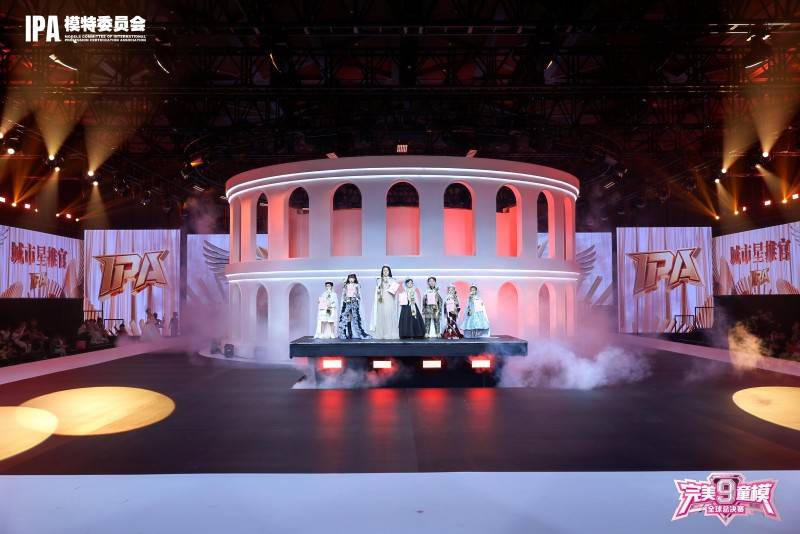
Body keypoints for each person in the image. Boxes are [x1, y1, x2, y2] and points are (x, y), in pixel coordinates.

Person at [338, 274, 371, 339]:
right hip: (347, 303)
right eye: (350, 278)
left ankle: (359, 333)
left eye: (352, 278)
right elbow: (344, 295)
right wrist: (346, 298)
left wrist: (356, 295)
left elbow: (359, 296)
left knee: (356, 317)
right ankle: (348, 333)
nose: (351, 279)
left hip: (354, 302)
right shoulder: (346, 286)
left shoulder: (356, 285)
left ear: (355, 279)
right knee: (347, 317)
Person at [371, 265, 400, 339]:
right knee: (381, 316)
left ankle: (389, 333)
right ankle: (381, 333)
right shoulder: (379, 280)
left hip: (389, 299)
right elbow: (377, 290)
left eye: (387, 270)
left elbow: (394, 291)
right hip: (381, 300)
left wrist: (390, 284)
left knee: (389, 315)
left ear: (389, 271)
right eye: (384, 270)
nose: (385, 272)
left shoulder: (393, 280)